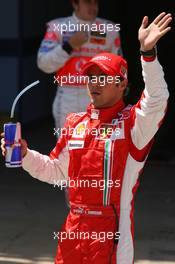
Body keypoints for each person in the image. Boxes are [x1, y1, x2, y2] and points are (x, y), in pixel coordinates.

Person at [1, 12, 172, 264]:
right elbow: (58, 171)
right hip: (74, 228)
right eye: (91, 76)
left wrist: (148, 54)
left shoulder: (134, 124)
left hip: (112, 230)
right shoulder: (75, 122)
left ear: (122, 84)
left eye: (103, 77)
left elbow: (157, 99)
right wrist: (25, 155)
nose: (95, 83)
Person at [37, 0, 122, 132]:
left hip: (99, 95)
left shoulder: (109, 29)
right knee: (67, 148)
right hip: (68, 96)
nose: (93, 7)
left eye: (95, 3)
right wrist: (69, 46)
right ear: (75, 4)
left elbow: (118, 68)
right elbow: (43, 63)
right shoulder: (58, 27)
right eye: (88, 2)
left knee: (97, 146)